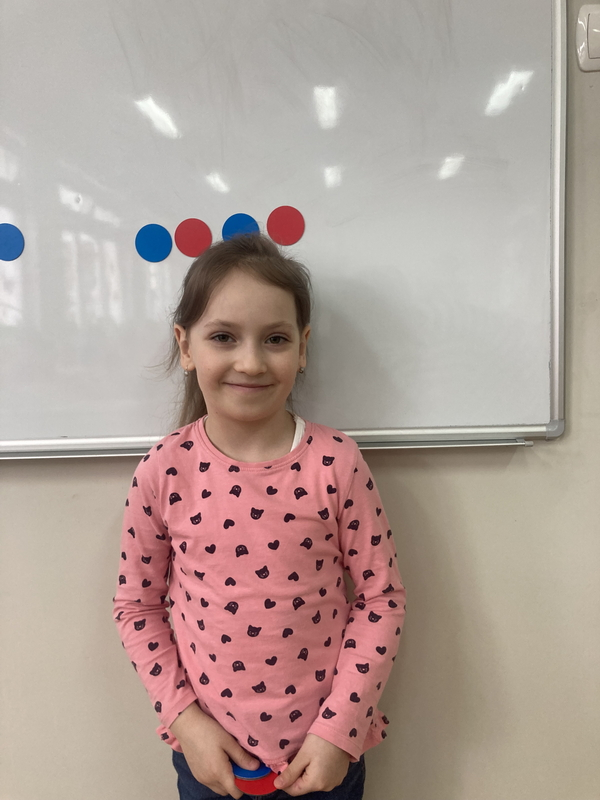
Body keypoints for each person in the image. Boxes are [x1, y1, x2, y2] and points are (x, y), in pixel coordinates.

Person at [113, 233, 406, 799]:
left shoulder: (335, 462)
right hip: (210, 761)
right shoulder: (164, 470)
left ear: (302, 347)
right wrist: (185, 723)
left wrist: (339, 731)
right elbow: (136, 607)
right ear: (186, 345)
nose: (250, 362)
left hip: (326, 759)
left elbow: (382, 599)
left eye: (275, 339)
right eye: (224, 337)